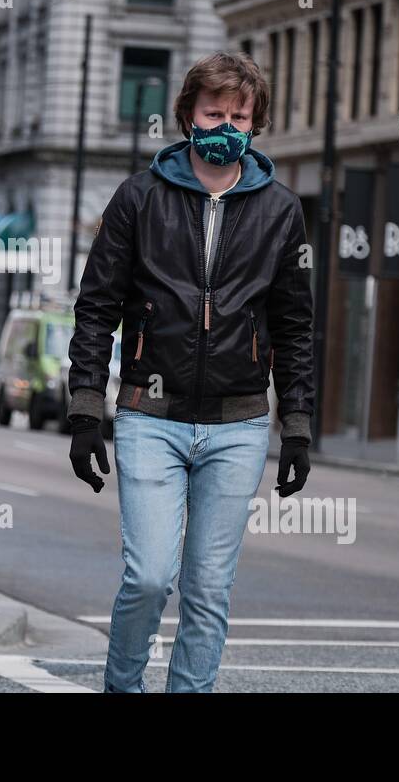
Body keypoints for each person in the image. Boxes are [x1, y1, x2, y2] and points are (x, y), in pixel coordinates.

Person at [66, 51, 314, 692]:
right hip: (151, 415)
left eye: (239, 115)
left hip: (238, 426)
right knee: (149, 576)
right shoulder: (139, 198)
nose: (226, 125)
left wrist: (298, 426)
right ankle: (123, 687)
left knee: (208, 589)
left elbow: (294, 326)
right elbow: (95, 309)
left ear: (256, 123)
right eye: (214, 112)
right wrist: (86, 410)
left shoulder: (282, 211)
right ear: (187, 115)